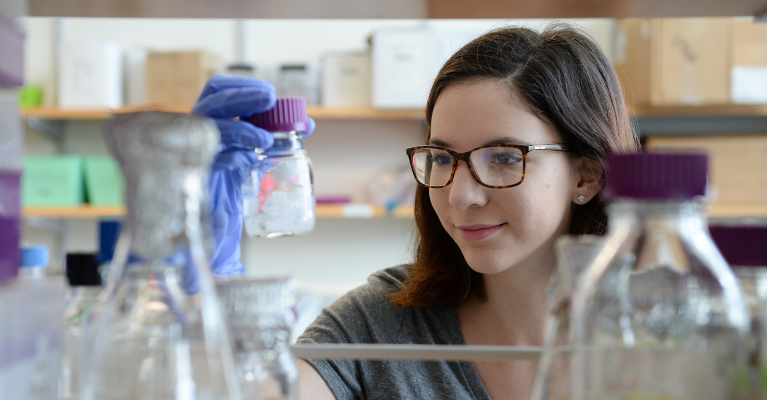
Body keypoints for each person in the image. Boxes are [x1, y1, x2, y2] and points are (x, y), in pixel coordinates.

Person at [198, 24, 639, 400]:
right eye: (443, 158)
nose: (461, 196)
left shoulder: (661, 331)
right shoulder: (380, 324)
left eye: (504, 158)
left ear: (586, 176)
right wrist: (193, 268)